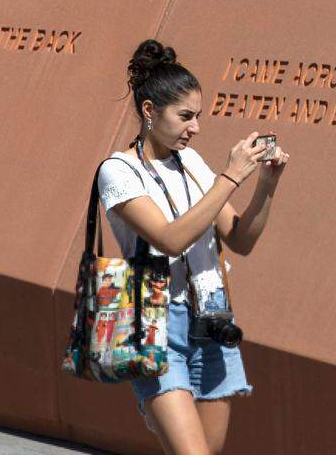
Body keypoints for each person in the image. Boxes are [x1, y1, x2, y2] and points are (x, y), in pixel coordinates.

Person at [96, 38, 289, 455]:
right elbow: (169, 238)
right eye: (185, 116)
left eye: (198, 116)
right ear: (150, 112)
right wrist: (231, 177)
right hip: (155, 322)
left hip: (212, 316)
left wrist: (266, 188)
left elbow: (240, 240)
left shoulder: (194, 163)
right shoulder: (119, 172)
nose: (195, 127)